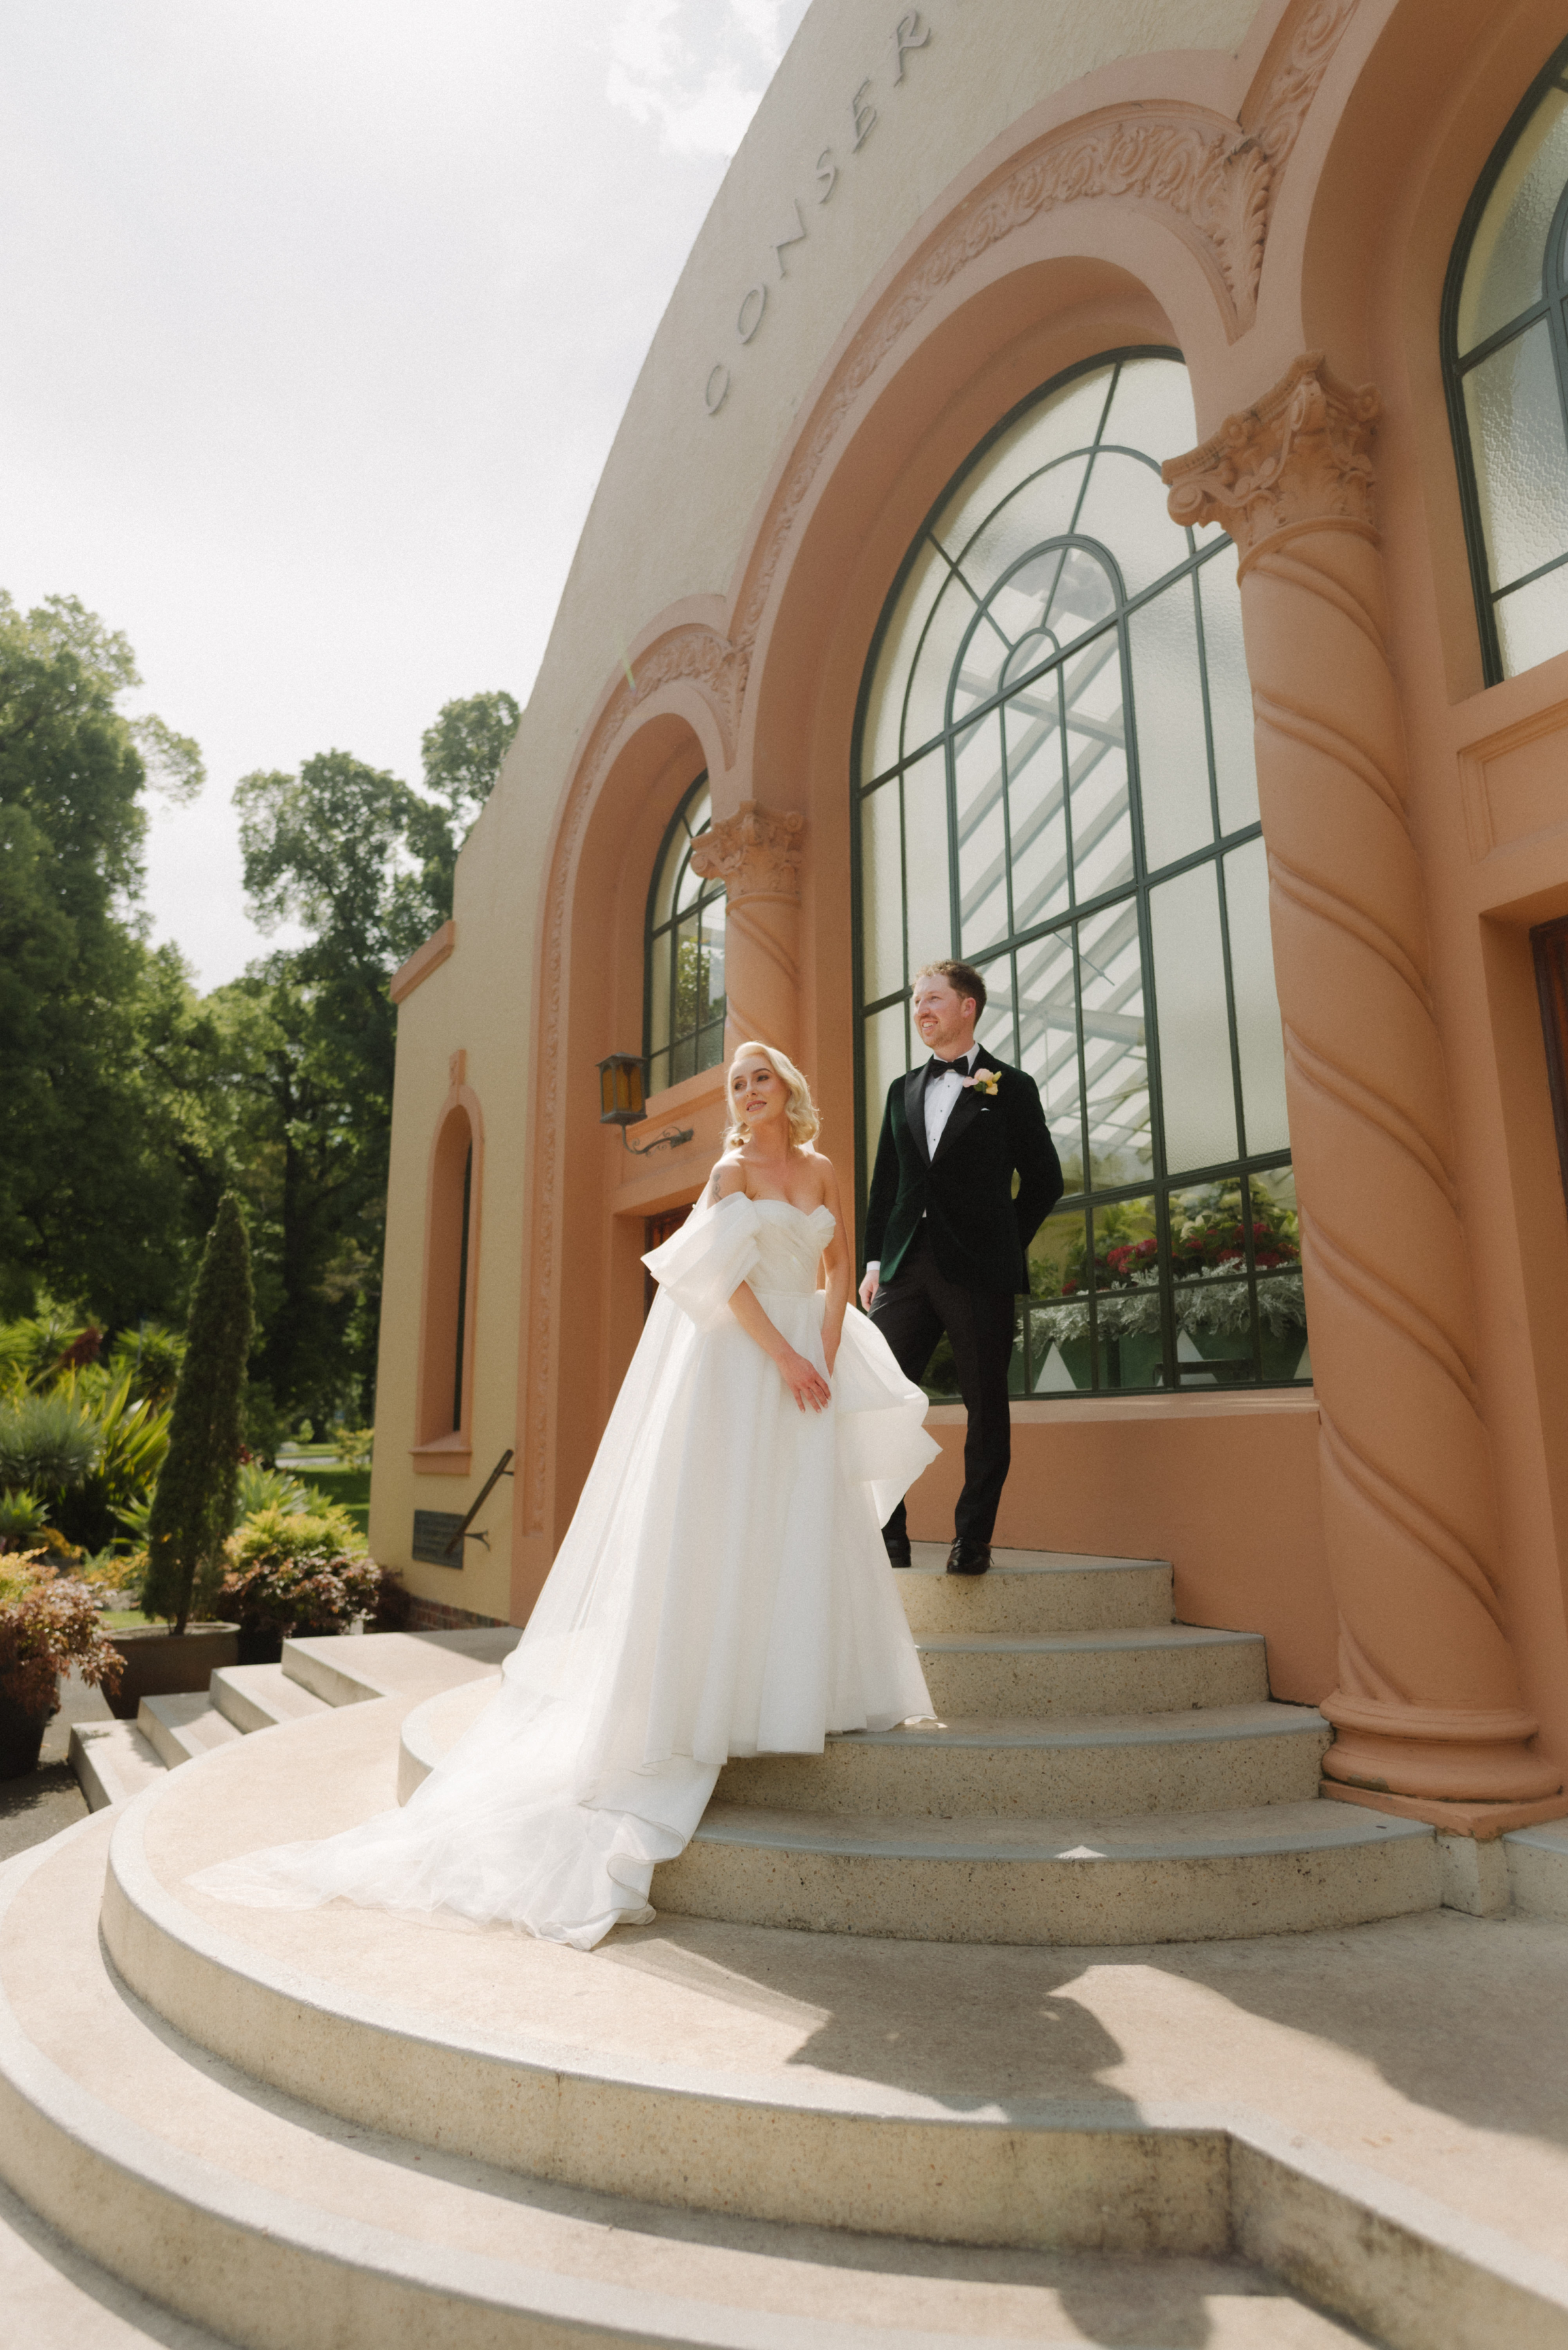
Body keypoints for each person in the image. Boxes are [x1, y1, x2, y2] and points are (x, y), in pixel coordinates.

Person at [189, 1042, 936, 1952]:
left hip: (807, 1364)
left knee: (801, 1525)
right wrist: (781, 1358)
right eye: (739, 1080)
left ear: (789, 1091)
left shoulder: (820, 1169)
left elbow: (836, 1273)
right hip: (743, 1366)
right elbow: (718, 1281)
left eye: (762, 1077)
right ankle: (711, 1699)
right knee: (730, 1524)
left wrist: (820, 1352)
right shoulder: (730, 1169)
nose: (748, 1089)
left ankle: (802, 1688)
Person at [860, 959, 1062, 1578]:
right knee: (877, 1400)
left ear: (967, 1006)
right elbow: (886, 1185)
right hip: (902, 1268)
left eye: (933, 999)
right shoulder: (901, 1090)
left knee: (985, 1404)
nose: (921, 1010)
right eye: (917, 1001)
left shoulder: (1013, 1086)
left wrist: (1001, 1244)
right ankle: (888, 1536)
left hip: (978, 1270)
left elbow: (1045, 1181)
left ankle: (971, 1540)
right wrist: (874, 1261)